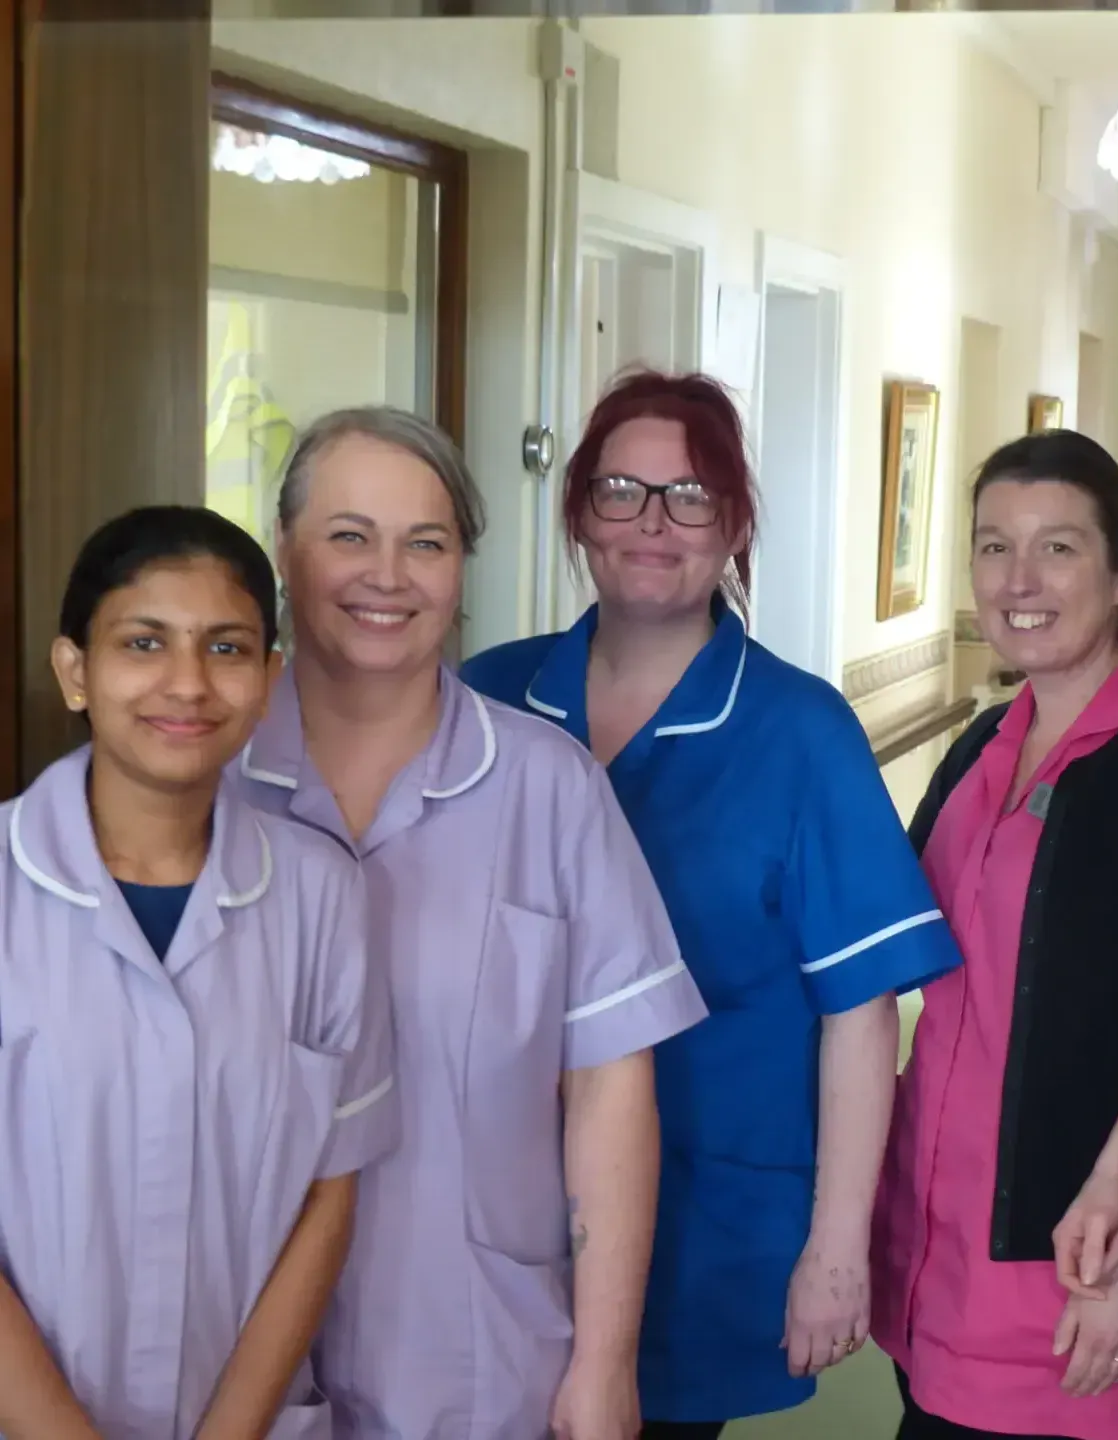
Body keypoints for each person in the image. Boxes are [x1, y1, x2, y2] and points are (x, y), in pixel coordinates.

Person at [462, 369, 961, 1438]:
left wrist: (835, 1250)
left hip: (707, 1224)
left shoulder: (797, 731)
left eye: (689, 496)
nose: (652, 523)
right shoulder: (489, 700)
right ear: (577, 514)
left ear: (732, 524)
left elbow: (860, 1012)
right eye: (619, 491)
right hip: (485, 1212)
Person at [237, 407, 708, 1440]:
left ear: (462, 569)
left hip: (480, 1352)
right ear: (285, 552)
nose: (387, 576)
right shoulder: (211, 781)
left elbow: (610, 1089)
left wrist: (603, 1364)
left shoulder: (547, 788)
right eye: (349, 535)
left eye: (427, 542)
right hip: (235, 1358)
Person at [870, 430, 1118, 1440]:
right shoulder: (979, 744)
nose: (1018, 580)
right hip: (932, 1255)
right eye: (992, 547)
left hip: (1072, 1275)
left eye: (1058, 548)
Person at [0, 505, 396, 1440]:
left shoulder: (322, 896)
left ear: (268, 681)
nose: (187, 683)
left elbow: (327, 1200)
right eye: (144, 642)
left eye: (226, 648)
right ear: (75, 671)